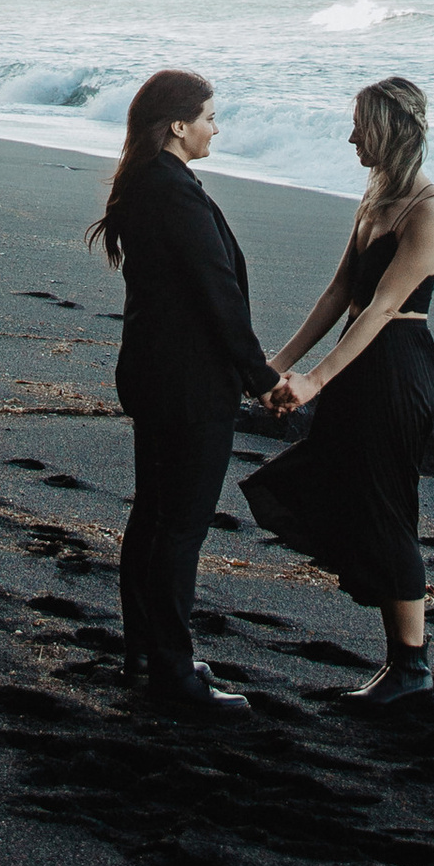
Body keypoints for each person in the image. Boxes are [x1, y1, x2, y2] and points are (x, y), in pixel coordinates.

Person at [241, 74, 434, 703]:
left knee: (388, 507)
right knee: (351, 495)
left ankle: (410, 667)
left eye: (360, 124)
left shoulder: (429, 211)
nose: (352, 135)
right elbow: (340, 294)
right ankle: (402, 664)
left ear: (388, 128)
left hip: (397, 368)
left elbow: (381, 308)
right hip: (360, 367)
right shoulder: (376, 198)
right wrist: (275, 365)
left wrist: (312, 380)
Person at [88, 67, 276, 713]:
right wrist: (262, 377)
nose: (215, 128)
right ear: (178, 125)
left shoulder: (146, 182)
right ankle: (173, 674)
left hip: (154, 373)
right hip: (188, 383)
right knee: (178, 528)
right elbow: (215, 292)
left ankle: (147, 652)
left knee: (154, 517)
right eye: (209, 117)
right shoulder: (172, 190)